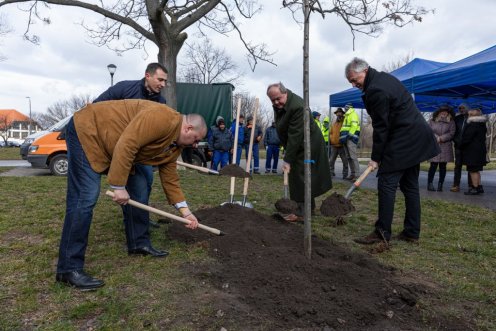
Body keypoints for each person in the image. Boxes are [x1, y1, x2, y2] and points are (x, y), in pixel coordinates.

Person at [55, 100, 206, 290]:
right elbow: (128, 144)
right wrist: (118, 186)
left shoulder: (176, 145)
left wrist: (185, 211)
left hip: (115, 144)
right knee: (85, 197)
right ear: (188, 128)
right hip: (89, 131)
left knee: (140, 187)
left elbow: (170, 178)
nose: (195, 145)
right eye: (196, 139)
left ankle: (138, 243)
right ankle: (68, 269)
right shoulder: (161, 117)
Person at [345, 57, 439, 244]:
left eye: (355, 80)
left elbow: (381, 127)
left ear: (365, 71)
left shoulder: (376, 89)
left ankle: (382, 232)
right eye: (351, 82)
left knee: (386, 184)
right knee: (410, 186)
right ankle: (412, 232)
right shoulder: (383, 79)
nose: (354, 85)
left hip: (405, 139)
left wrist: (376, 158)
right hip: (415, 136)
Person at [93, 62, 169, 229]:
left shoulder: (161, 102)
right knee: (132, 185)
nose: (163, 85)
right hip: (119, 148)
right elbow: (96, 107)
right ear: (147, 76)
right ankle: (134, 221)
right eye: (160, 80)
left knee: (147, 181)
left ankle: (139, 217)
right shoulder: (124, 89)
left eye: (165, 81)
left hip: (141, 153)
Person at [266, 82, 332, 217]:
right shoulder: (281, 104)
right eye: (273, 100)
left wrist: (288, 160)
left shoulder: (297, 107)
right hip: (297, 143)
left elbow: (295, 135)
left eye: (278, 98)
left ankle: (302, 211)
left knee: (299, 174)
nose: (276, 102)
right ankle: (307, 207)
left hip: (308, 144)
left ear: (285, 93)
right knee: (299, 174)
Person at [427, 105, 456, 192]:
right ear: (438, 112)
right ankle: (430, 184)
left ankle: (440, 185)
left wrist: (442, 138)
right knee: (433, 165)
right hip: (434, 145)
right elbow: (429, 130)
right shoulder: (432, 121)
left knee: (443, 167)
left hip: (445, 146)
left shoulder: (451, 122)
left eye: (446, 112)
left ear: (448, 113)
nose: (444, 113)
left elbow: (452, 133)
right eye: (442, 111)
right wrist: (436, 138)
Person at [460, 109, 488, 195]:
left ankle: (474, 188)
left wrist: (460, 145)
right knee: (477, 169)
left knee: (473, 170)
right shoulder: (482, 125)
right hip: (479, 151)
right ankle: (479, 187)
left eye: (469, 115)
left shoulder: (473, 125)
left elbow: (467, 138)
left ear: (472, 116)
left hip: (472, 151)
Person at [450, 103, 471, 192]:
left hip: (469, 147)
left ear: (467, 109)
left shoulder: (472, 118)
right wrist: (456, 141)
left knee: (470, 166)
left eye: (463, 108)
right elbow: (453, 131)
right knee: (458, 166)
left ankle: (471, 186)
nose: (461, 110)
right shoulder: (457, 119)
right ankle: (456, 185)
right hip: (458, 146)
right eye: (460, 108)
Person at [339, 103, 361, 181]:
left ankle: (357, 175)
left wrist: (349, 135)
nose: (344, 109)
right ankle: (353, 174)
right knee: (349, 157)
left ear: (348, 108)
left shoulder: (353, 114)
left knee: (353, 156)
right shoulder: (347, 115)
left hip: (350, 138)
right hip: (346, 138)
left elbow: (354, 126)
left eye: (345, 108)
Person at [329, 108, 349, 179]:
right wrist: (331, 139)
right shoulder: (334, 123)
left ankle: (345, 175)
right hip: (334, 145)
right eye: (337, 113)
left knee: (345, 161)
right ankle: (331, 173)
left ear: (342, 113)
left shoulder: (344, 122)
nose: (338, 114)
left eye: (340, 113)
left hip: (342, 145)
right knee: (331, 161)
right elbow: (331, 132)